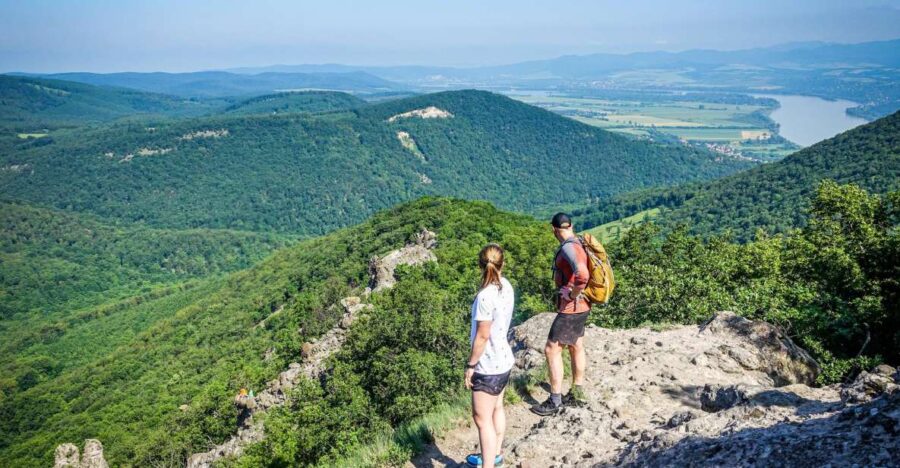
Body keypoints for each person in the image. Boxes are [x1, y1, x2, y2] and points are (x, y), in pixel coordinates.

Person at [531, 213, 590, 416]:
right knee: (576, 345)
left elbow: (582, 274)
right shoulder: (579, 242)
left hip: (571, 308)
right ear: (571, 225)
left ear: (554, 230)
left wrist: (572, 293)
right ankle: (577, 391)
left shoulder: (567, 247)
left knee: (551, 349)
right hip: (583, 306)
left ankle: (555, 400)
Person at [464, 244, 515, 468]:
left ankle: (488, 465)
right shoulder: (506, 286)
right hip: (504, 360)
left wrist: (470, 365)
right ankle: (495, 455)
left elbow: (482, 336)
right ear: (502, 264)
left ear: (480, 265)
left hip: (488, 365)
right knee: (497, 408)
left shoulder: (485, 296)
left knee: (482, 420)